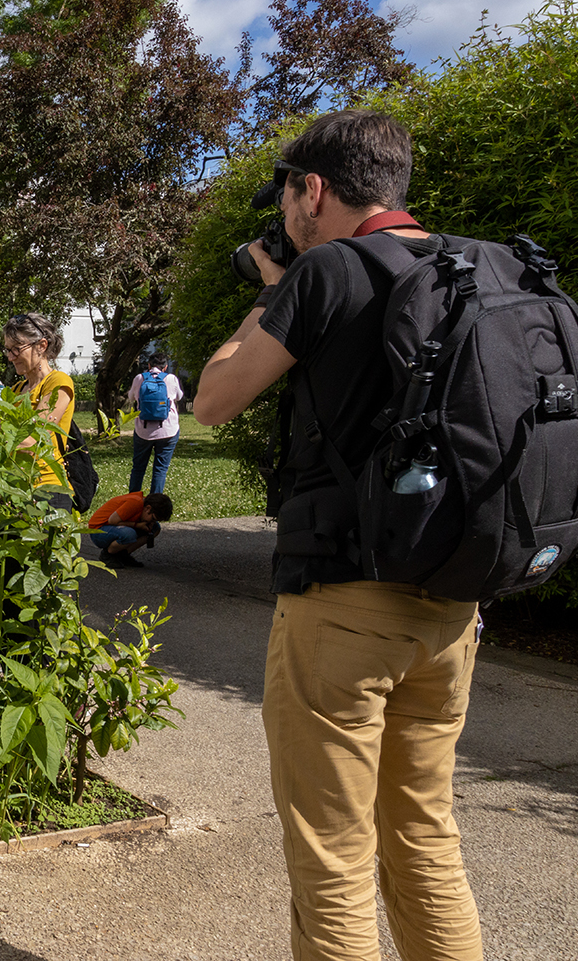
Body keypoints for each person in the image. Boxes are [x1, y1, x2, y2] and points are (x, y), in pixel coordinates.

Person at [194, 110, 484, 961]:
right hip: (455, 602)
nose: (284, 215)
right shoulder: (475, 268)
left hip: (346, 604)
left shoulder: (326, 273)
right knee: (427, 843)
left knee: (333, 863)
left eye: (287, 195)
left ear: (312, 190)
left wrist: (272, 286)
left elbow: (213, 398)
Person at [3, 312, 74, 513]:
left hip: (49, 491)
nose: (10, 357)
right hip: (18, 490)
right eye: (8, 350)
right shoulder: (16, 390)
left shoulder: (58, 382)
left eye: (16, 349)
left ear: (41, 346)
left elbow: (33, 440)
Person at [126, 351, 186, 495]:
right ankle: (153, 507)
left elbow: (131, 398)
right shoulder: (171, 379)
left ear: (149, 365)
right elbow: (179, 396)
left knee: (138, 468)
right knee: (160, 469)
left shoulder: (139, 378)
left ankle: (131, 503)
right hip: (168, 431)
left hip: (143, 431)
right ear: (165, 367)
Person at [87, 491, 172, 568]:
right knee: (129, 534)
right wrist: (137, 525)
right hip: (98, 530)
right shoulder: (135, 503)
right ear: (148, 508)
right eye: (153, 519)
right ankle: (107, 555)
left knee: (155, 528)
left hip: (112, 527)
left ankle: (123, 555)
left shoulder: (144, 507)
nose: (152, 522)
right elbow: (112, 520)